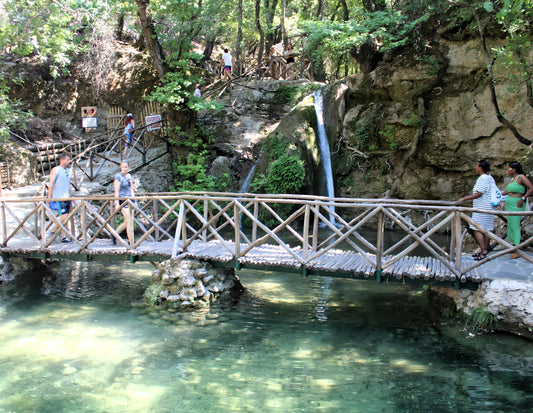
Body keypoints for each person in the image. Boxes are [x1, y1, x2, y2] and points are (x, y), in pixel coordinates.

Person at [457, 160, 495, 261]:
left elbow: (478, 194)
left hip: (482, 207)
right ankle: (486, 250)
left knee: (475, 228)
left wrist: (464, 199)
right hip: (489, 207)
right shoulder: (490, 178)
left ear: (481, 168)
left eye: (477, 166)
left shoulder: (482, 178)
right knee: (486, 229)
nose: (476, 168)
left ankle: (484, 250)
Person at [501, 161, 533, 258]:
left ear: (514, 169)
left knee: (515, 225)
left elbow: (531, 188)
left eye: (509, 168)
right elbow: (508, 191)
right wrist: (498, 194)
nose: (508, 170)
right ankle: (513, 245)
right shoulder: (513, 179)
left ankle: (517, 249)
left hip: (517, 203)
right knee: (510, 224)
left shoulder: (521, 177)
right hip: (509, 203)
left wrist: (523, 198)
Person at [49, 153, 73, 243]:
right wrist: (49, 197)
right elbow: (51, 183)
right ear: (62, 160)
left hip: (67, 197)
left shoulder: (67, 170)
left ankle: (64, 237)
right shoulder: (56, 170)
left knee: (66, 218)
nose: (69, 161)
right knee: (64, 215)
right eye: (67, 160)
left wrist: (72, 196)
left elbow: (68, 184)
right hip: (59, 197)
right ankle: (53, 231)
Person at [113, 161, 135, 247]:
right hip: (122, 200)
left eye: (126, 167)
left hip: (130, 200)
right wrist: (117, 203)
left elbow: (131, 188)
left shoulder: (129, 176)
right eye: (123, 167)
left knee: (127, 221)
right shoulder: (118, 177)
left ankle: (114, 234)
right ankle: (131, 242)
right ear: (120, 167)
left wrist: (135, 200)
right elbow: (117, 191)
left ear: (128, 167)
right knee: (129, 220)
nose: (125, 168)